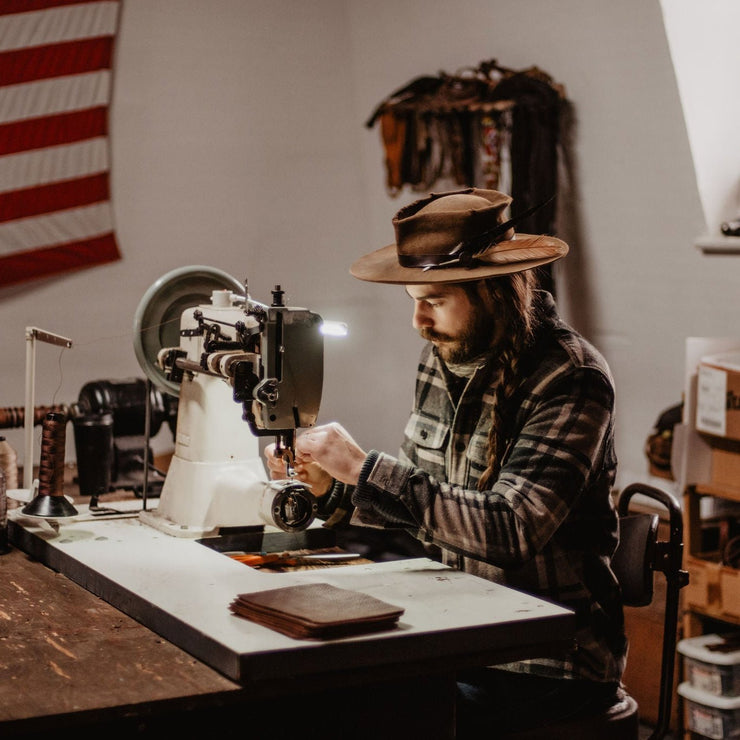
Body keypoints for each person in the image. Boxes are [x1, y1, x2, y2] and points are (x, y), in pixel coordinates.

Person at [264, 188, 627, 736]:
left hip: (550, 660)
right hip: (460, 628)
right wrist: (329, 489)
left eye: (433, 299)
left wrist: (364, 468)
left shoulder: (571, 377)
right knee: (308, 694)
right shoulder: (441, 358)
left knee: (367, 715)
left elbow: (510, 530)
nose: (418, 320)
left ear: (494, 291)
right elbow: (430, 514)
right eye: (413, 299)